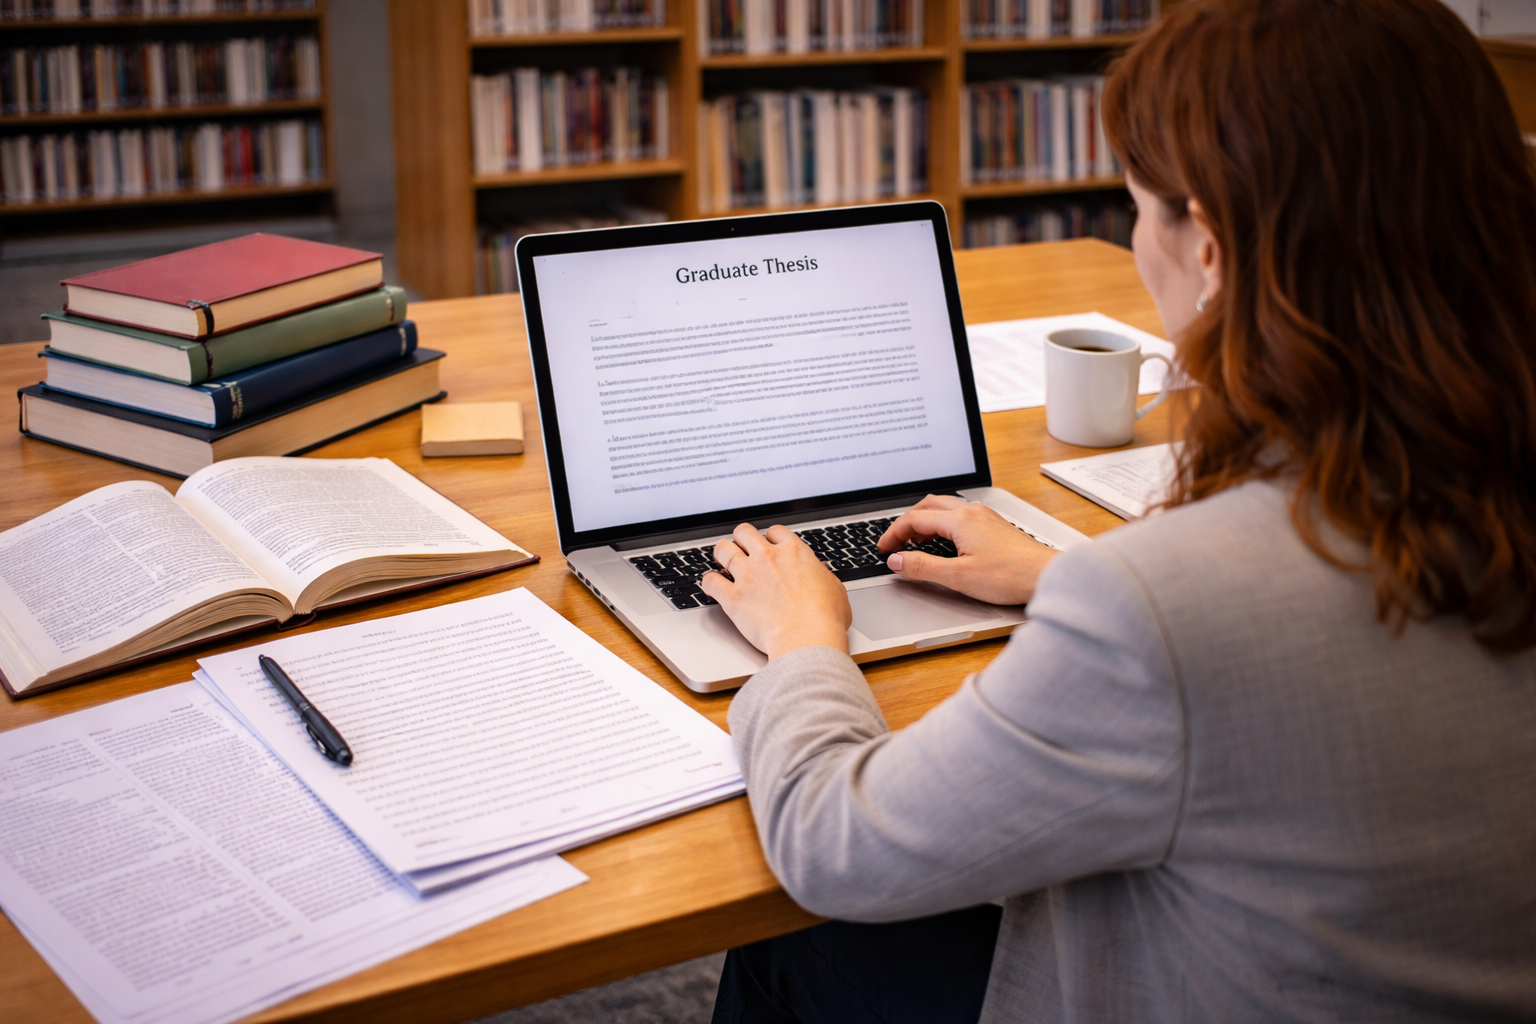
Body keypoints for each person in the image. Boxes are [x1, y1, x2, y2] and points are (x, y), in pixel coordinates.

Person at [697, 0, 1536, 1020]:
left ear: (1213, 251)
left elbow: (838, 847)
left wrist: (802, 641)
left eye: (1140, 208)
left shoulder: (1168, 604)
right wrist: (1058, 575)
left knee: (790, 945)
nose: (1141, 244)